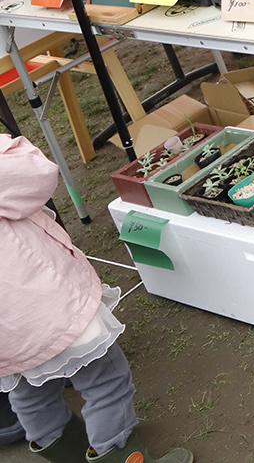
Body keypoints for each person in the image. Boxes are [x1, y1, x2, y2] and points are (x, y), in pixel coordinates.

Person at [1, 133, 192, 463]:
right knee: (105, 378)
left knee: (29, 391)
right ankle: (115, 452)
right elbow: (35, 173)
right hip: (39, 305)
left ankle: (69, 453)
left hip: (7, 334)